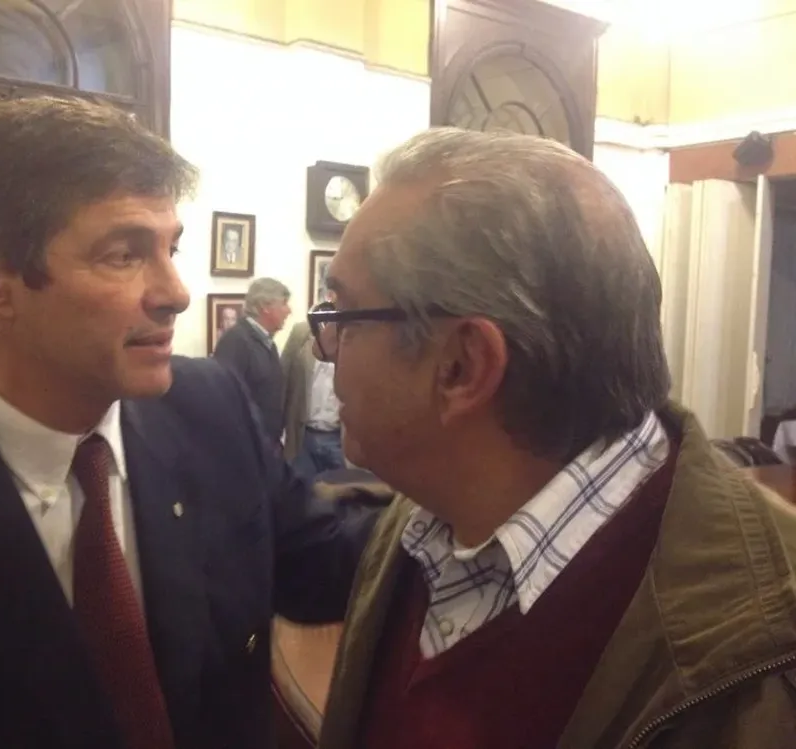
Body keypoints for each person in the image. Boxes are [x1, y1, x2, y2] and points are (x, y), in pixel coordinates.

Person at [0, 98, 382, 749]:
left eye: (171, 247)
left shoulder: (208, 408)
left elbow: (325, 567)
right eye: (123, 253)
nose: (175, 292)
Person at [313, 128, 796, 749]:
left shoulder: (764, 657)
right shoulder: (422, 521)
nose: (327, 352)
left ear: (461, 367)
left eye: (343, 318)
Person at [213, 277, 291, 443]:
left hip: (266, 445)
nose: (288, 310)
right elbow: (226, 402)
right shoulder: (235, 341)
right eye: (284, 303)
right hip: (246, 448)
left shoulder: (267, 343)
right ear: (265, 306)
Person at [280, 320, 344, 477]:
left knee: (342, 495)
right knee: (301, 495)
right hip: (303, 437)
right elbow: (283, 377)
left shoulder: (357, 336)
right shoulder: (302, 332)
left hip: (338, 439)